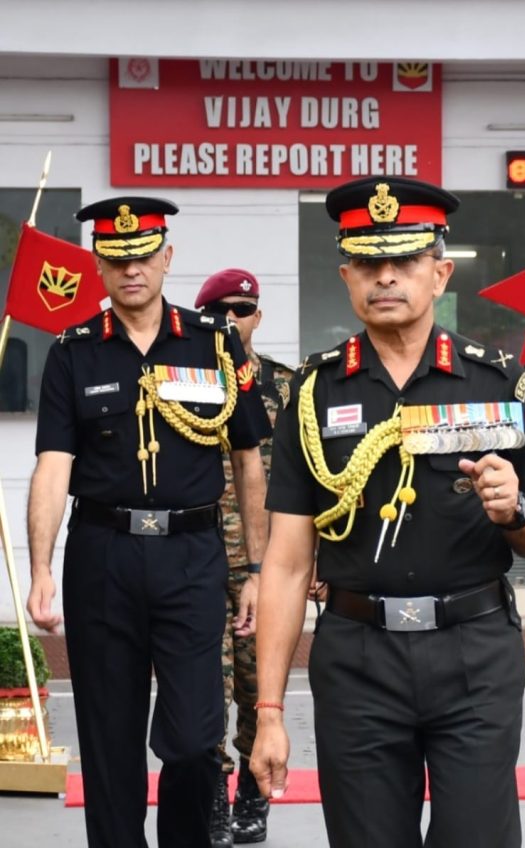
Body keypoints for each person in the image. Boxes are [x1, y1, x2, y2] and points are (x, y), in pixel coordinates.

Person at [249, 175, 525, 848]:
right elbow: (284, 563)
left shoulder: (501, 384)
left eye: (404, 260)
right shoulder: (311, 393)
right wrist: (268, 711)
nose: (385, 276)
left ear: (440, 272)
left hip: (474, 654)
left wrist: (513, 510)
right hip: (358, 658)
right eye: (368, 262)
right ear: (345, 275)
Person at [25, 197, 271, 848]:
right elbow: (53, 466)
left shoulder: (215, 345)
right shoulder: (73, 354)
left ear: (166, 257)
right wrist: (42, 569)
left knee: (194, 738)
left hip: (192, 557)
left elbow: (249, 460)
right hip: (101, 555)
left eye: (142, 256)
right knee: (110, 742)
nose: (131, 269)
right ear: (101, 267)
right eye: (116, 258)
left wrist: (255, 568)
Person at [194, 268, 294, 847]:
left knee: (261, 691)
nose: (235, 320)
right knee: (206, 690)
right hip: (203, 561)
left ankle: (253, 801)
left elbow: (312, 480)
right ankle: (212, 800)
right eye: (223, 311)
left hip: (270, 568)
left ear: (258, 317)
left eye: (245, 310)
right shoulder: (189, 384)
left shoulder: (287, 386)